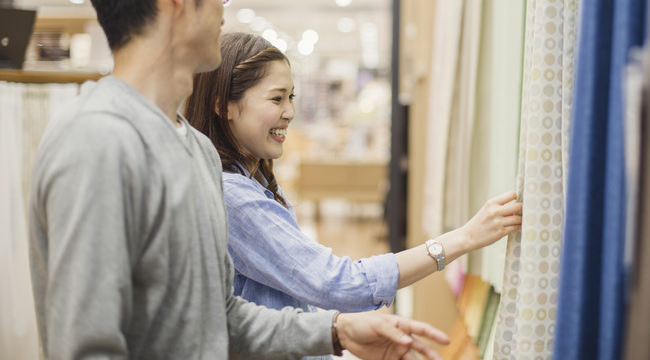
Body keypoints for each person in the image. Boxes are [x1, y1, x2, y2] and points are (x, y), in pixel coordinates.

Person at [27, 0, 450, 359]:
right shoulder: (98, 141)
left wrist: (335, 330)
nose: (222, 6)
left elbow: (221, 319)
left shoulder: (196, 150)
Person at [185, 32, 524, 315]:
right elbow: (337, 283)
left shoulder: (251, 182)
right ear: (223, 105)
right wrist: (463, 238)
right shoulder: (234, 198)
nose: (289, 112)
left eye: (291, 97)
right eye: (276, 99)